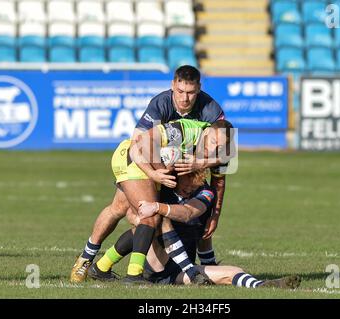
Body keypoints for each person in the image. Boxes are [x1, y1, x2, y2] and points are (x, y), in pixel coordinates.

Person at [71, 66, 229, 283]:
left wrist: (215, 211)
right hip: (138, 160)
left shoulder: (212, 111)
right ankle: (97, 264)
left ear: (199, 89)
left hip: (163, 166)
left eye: (191, 93)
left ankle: (100, 266)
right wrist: (155, 175)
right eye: (180, 91)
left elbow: (225, 158)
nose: (185, 98)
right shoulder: (161, 104)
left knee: (133, 212)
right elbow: (137, 146)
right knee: (147, 215)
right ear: (173, 86)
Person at [89, 170, 301, 290]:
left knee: (232, 271)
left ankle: (264, 286)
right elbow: (132, 215)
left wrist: (207, 267)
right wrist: (152, 211)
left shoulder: (206, 194)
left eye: (193, 187)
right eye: (185, 185)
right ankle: (104, 266)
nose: (188, 189)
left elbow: (197, 228)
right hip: (157, 262)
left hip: (180, 271)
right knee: (158, 220)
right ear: (178, 177)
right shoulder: (164, 189)